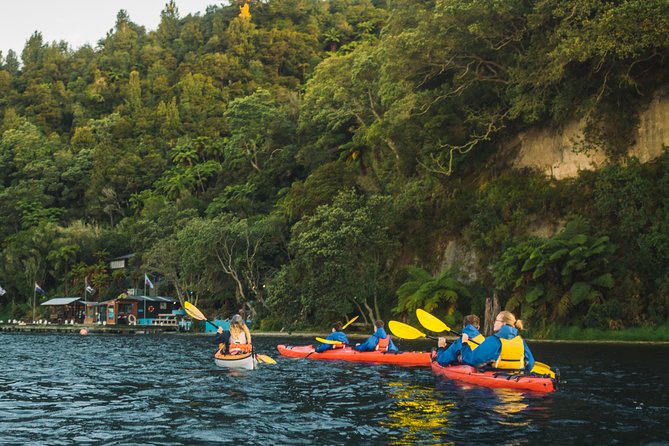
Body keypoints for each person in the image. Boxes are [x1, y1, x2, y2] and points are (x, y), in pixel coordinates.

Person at [461, 310, 535, 372]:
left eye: (496, 320)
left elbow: (470, 359)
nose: (494, 323)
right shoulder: (521, 341)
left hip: (496, 378)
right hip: (517, 376)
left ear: (504, 323)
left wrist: (464, 343)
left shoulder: (493, 340)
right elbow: (530, 365)